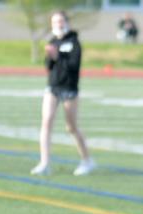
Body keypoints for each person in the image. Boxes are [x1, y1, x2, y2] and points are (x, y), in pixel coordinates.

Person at [31, 11, 95, 177]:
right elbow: (49, 66)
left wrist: (59, 56)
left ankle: (86, 160)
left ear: (66, 22)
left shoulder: (74, 41)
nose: (58, 24)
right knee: (46, 122)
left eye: (60, 21)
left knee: (71, 127)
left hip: (69, 89)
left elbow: (74, 64)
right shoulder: (52, 41)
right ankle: (44, 162)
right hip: (53, 88)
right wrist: (50, 57)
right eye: (54, 22)